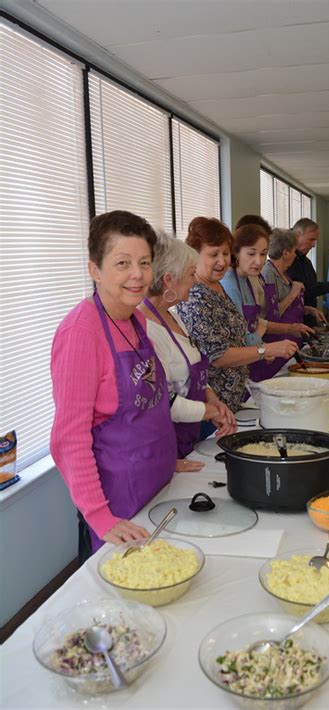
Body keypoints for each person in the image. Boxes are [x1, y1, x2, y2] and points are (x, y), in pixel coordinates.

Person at [50, 211, 177, 563]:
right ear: (95, 270)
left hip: (158, 485)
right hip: (117, 502)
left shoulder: (136, 317)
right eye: (122, 263)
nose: (137, 274)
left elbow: (149, 404)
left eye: (144, 262)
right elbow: (68, 437)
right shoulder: (81, 333)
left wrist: (168, 458)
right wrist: (100, 517)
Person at [177, 218, 297, 411]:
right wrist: (265, 350)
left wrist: (261, 348)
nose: (222, 261)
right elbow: (218, 356)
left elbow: (236, 335)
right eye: (213, 254)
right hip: (213, 405)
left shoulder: (216, 285)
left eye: (225, 253)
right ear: (194, 255)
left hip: (233, 398)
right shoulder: (196, 297)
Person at [139, 235, 236, 460]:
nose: (194, 281)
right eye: (191, 274)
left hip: (192, 434)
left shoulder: (172, 316)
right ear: (169, 280)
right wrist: (211, 412)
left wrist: (212, 398)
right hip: (169, 445)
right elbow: (165, 403)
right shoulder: (148, 331)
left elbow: (192, 369)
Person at [221, 224, 312, 380]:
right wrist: (265, 348)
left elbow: (257, 323)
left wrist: (290, 329)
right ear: (235, 252)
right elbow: (239, 338)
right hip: (234, 370)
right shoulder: (229, 284)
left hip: (253, 359)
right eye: (251, 254)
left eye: (263, 254)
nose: (259, 261)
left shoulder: (248, 279)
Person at [261, 228, 326, 340]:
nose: (296, 255)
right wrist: (293, 293)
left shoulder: (284, 273)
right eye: (294, 251)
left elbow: (288, 307)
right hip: (278, 344)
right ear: (286, 253)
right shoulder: (268, 275)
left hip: (293, 342)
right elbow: (271, 316)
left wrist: (308, 309)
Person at [286, 218, 329, 326]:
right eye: (311, 239)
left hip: (308, 323)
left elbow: (311, 288)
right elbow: (302, 291)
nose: (313, 245)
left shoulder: (306, 262)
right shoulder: (286, 261)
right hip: (292, 325)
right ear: (298, 234)